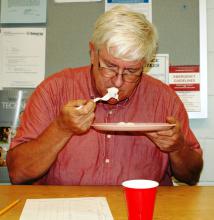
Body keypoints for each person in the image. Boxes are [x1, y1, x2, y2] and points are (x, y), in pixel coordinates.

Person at [6, 6, 203, 186]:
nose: (117, 81)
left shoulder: (164, 99)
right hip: (67, 209)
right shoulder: (53, 90)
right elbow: (18, 173)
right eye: (110, 66)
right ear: (92, 53)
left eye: (132, 71)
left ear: (145, 64)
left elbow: (192, 176)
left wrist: (177, 148)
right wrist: (60, 128)